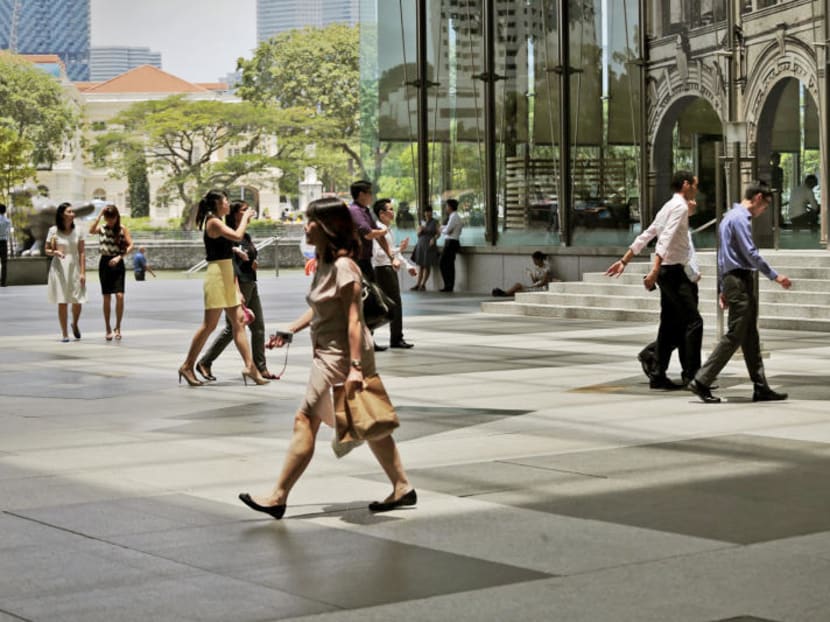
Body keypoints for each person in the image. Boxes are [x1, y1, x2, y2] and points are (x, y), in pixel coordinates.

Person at [238, 197, 415, 519]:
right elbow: (322, 306)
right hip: (328, 354)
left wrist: (357, 368)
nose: (305, 226)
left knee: (306, 419)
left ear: (328, 227)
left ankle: (278, 496)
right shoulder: (325, 263)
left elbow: (353, 319)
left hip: (344, 356)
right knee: (367, 423)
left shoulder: (346, 267)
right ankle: (402, 486)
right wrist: (291, 329)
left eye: (311, 221)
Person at [689, 181, 792, 404]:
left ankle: (760, 386)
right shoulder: (740, 219)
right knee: (736, 334)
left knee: (750, 335)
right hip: (739, 279)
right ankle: (702, 380)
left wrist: (721, 287)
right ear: (756, 198)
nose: (764, 210)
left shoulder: (729, 217)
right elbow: (751, 253)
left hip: (732, 279)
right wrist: (775, 276)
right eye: (765, 205)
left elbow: (721, 257)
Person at [606, 171, 702, 389]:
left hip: (668, 273)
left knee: (670, 322)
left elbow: (648, 233)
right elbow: (664, 240)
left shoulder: (670, 206)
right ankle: (693, 375)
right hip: (674, 272)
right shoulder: (677, 207)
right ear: (685, 184)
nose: (696, 189)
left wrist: (625, 260)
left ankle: (658, 373)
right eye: (694, 185)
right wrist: (654, 270)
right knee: (693, 322)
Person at [177, 190, 268, 387]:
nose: (228, 203)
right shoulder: (213, 221)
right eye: (225, 200)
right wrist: (244, 218)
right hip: (217, 276)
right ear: (217, 204)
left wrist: (236, 257)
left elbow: (225, 247)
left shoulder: (218, 222)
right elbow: (236, 235)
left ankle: (250, 367)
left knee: (239, 321)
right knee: (209, 325)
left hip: (226, 274)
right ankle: (187, 365)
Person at [196, 200, 277, 381]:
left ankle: (259, 367)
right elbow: (227, 259)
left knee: (257, 327)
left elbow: (245, 254)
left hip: (250, 282)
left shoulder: (244, 235)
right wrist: (237, 288)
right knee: (233, 327)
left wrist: (252, 262)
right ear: (235, 214)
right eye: (244, 210)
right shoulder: (228, 233)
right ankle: (205, 361)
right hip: (238, 283)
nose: (248, 212)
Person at [372, 198, 417, 349]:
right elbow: (379, 253)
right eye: (390, 209)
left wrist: (407, 265)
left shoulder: (387, 229)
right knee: (392, 304)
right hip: (383, 269)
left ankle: (393, 337)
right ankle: (395, 338)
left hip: (388, 268)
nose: (393, 212)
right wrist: (396, 254)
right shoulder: (378, 230)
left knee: (382, 304)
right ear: (382, 213)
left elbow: (392, 252)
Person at [90, 205, 133, 341]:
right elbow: (91, 230)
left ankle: (118, 327)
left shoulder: (122, 229)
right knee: (106, 297)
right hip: (104, 263)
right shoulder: (102, 228)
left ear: (116, 217)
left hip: (118, 262)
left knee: (120, 296)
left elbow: (131, 245)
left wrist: (119, 257)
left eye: (112, 218)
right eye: (108, 218)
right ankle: (108, 327)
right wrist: (99, 215)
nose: (110, 221)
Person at [45, 203, 87, 342]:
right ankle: (64, 333)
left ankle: (74, 324)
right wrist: (55, 251)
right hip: (59, 267)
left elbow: (81, 252)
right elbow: (46, 250)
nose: (73, 213)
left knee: (77, 301)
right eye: (69, 211)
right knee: (62, 301)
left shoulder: (79, 230)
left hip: (74, 266)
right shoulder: (53, 230)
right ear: (62, 214)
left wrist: (82, 272)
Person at [347, 180, 392, 280]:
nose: (372, 196)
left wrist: (391, 257)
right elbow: (368, 233)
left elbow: (378, 235)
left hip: (365, 260)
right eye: (370, 193)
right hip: (356, 260)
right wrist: (383, 231)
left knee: (373, 291)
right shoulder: (355, 211)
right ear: (361, 194)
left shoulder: (365, 211)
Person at [492, 251, 557, 296]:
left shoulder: (547, 268)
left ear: (539, 259)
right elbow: (535, 281)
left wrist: (532, 286)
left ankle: (504, 293)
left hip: (543, 288)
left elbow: (544, 282)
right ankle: (503, 293)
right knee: (518, 291)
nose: (534, 262)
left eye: (535, 260)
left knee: (518, 285)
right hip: (536, 286)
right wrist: (531, 275)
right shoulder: (536, 268)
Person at [410, 205, 440, 291]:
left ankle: (423, 284)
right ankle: (418, 284)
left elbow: (438, 233)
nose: (427, 213)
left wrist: (434, 239)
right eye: (426, 212)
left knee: (427, 265)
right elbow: (418, 234)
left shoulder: (435, 222)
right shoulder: (422, 222)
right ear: (424, 213)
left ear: (431, 212)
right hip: (421, 243)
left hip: (429, 243)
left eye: (429, 211)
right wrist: (420, 229)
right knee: (421, 265)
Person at [439, 198, 463, 292]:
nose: (446, 208)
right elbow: (449, 228)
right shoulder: (455, 216)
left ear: (450, 207)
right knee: (449, 264)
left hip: (451, 242)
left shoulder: (453, 216)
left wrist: (442, 230)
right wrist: (444, 228)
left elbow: (448, 230)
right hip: (452, 242)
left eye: (447, 206)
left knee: (443, 263)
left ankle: (448, 285)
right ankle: (449, 285)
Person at [0, 203, 9, 287]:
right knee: (4, 263)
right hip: (3, 242)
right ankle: (3, 282)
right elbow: (8, 232)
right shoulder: (7, 221)